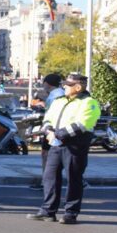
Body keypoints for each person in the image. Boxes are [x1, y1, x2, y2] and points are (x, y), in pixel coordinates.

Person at [28, 73, 101, 224]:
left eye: (68, 84)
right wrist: (48, 131)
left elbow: (83, 123)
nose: (64, 87)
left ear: (78, 87)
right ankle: (48, 210)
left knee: (74, 179)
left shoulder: (89, 102)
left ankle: (70, 213)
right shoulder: (59, 101)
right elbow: (48, 118)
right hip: (56, 144)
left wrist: (58, 134)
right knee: (49, 177)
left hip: (75, 145)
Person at [29, 73, 66, 189]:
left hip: (53, 128)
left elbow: (53, 111)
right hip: (54, 128)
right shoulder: (57, 94)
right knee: (49, 154)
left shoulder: (56, 95)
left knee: (48, 155)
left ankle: (46, 181)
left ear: (47, 83)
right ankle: (47, 180)